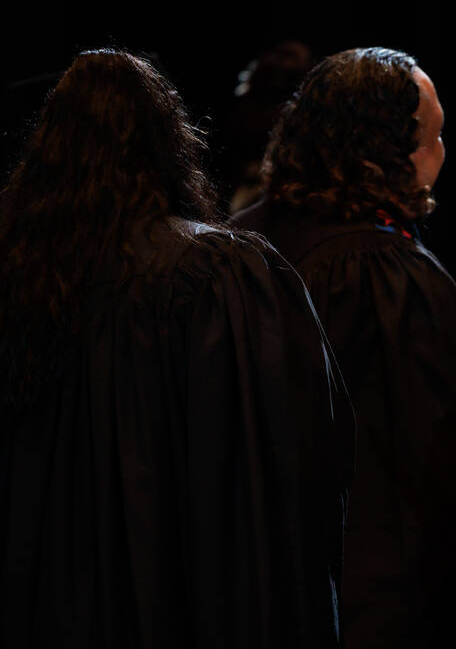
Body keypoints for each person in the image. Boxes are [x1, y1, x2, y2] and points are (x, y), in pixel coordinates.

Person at [0, 50, 350, 647]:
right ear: (166, 145)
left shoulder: (21, 277)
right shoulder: (215, 272)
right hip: (175, 599)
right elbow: (299, 449)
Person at [232, 47, 456, 649]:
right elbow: (455, 470)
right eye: (434, 138)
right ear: (388, 154)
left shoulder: (233, 248)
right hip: (376, 607)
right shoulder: (396, 279)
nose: (442, 155)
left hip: (247, 593)